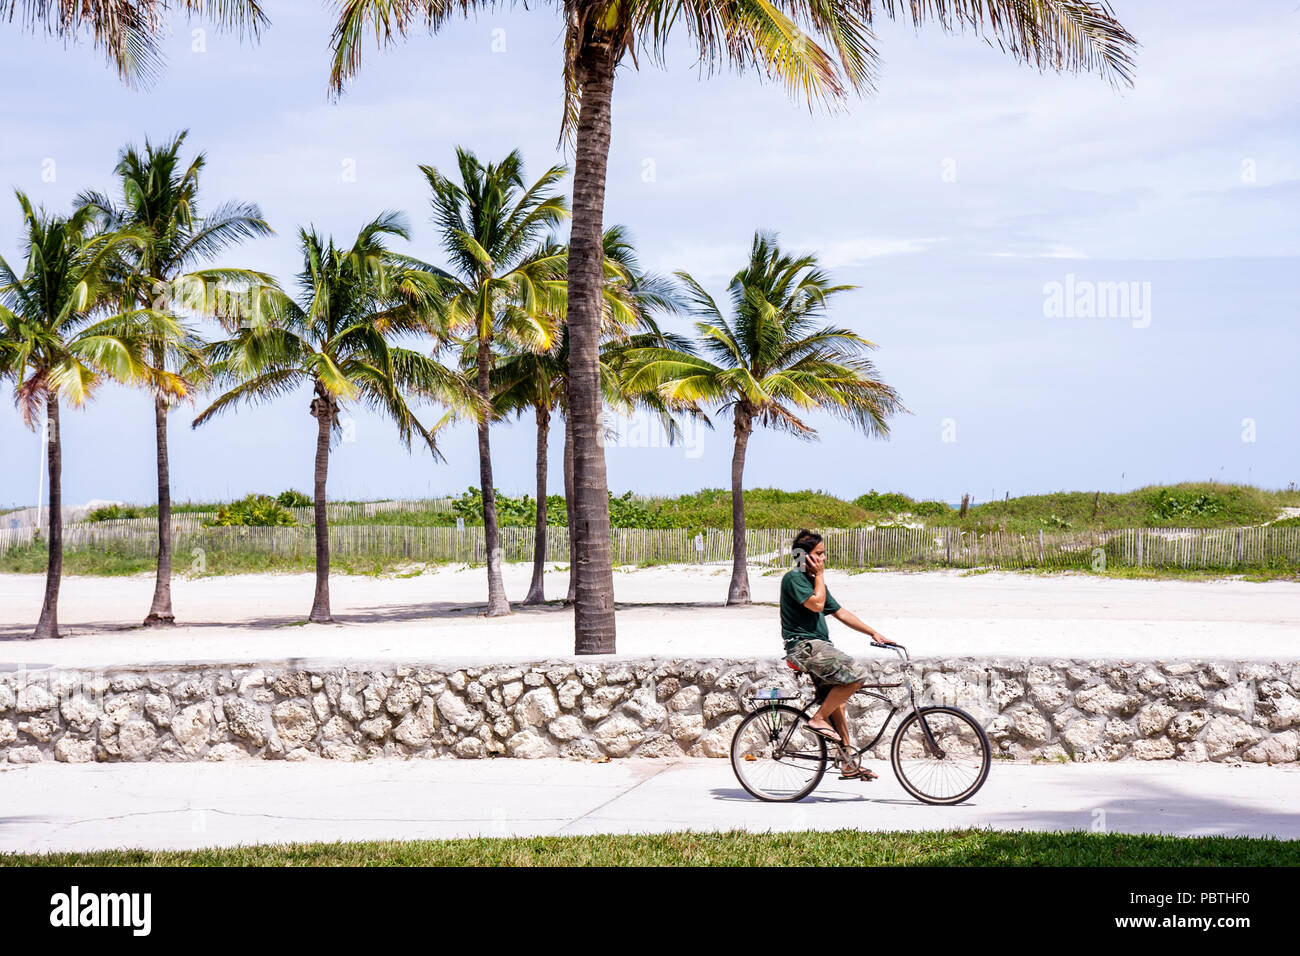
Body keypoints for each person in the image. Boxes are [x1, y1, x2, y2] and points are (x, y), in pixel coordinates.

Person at [780, 529, 895, 781]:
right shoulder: (794, 579)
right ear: (804, 557)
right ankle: (818, 719)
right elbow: (817, 605)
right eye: (819, 554)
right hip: (804, 647)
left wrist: (873, 633)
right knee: (855, 676)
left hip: (818, 646)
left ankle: (848, 763)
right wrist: (820, 575)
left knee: (838, 703)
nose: (824, 558)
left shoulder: (814, 581)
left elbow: (840, 612)